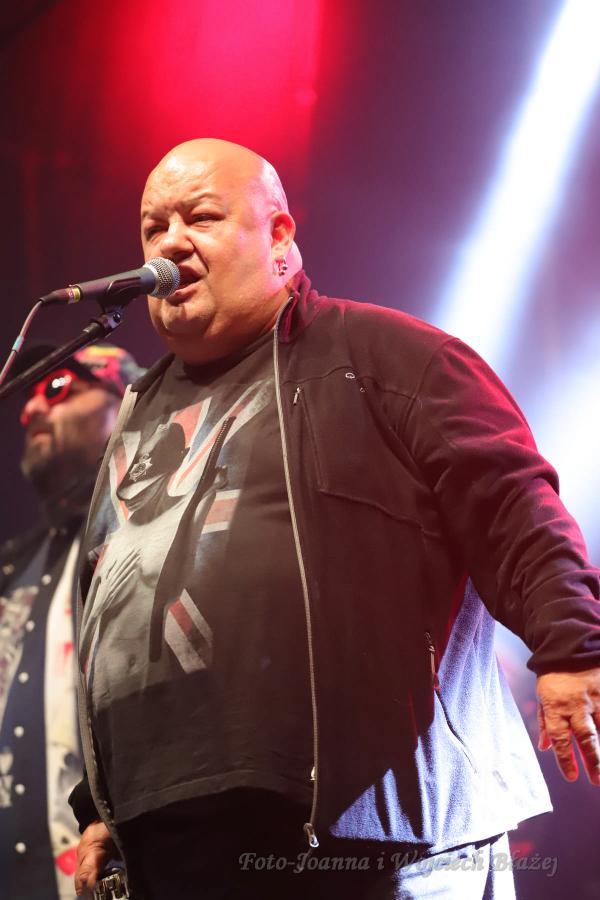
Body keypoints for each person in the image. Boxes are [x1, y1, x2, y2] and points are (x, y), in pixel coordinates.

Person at [71, 139, 600, 900]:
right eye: (155, 226)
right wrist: (99, 805)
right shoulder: (136, 418)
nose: (171, 242)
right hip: (170, 843)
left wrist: (571, 648)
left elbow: (512, 503)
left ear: (280, 236)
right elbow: (107, 611)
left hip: (379, 835)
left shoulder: (385, 356)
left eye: (202, 217)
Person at [0, 344, 143, 900]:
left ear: (123, 404)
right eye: (30, 397)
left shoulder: (154, 531)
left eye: (58, 388)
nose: (32, 409)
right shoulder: (14, 566)